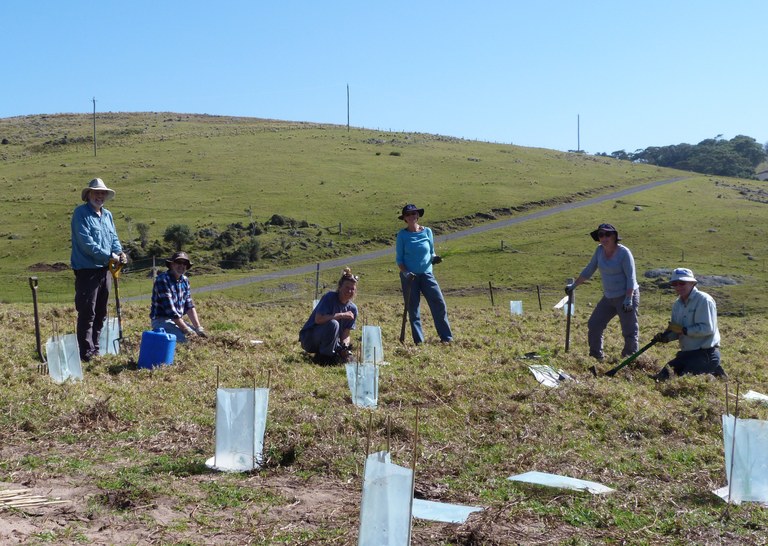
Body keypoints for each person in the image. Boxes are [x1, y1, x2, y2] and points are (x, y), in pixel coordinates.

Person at [71, 178, 128, 362]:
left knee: (101, 312)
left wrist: (120, 253)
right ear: (88, 195)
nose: (100, 196)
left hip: (106, 271)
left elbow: (114, 238)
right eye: (96, 192)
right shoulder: (80, 214)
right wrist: (109, 256)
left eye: (102, 193)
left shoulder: (108, 215)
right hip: (87, 271)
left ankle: (95, 348)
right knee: (88, 312)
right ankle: (86, 353)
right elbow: (87, 244)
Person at [567, 223, 639, 363]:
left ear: (614, 236)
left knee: (629, 330)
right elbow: (589, 270)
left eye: (607, 234)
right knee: (594, 324)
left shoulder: (624, 253)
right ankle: (596, 357)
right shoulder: (599, 251)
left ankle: (629, 360)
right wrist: (574, 285)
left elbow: (631, 278)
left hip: (626, 295)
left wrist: (628, 299)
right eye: (601, 235)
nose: (604, 237)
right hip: (609, 296)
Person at [650, 267, 726, 381]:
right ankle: (713, 371)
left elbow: (707, 328)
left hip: (705, 353)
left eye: (682, 283)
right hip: (686, 354)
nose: (678, 287)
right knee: (662, 377)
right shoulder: (677, 304)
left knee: (683, 380)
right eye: (675, 284)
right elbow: (676, 330)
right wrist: (665, 337)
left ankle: (714, 372)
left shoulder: (704, 300)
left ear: (692, 283)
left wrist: (684, 330)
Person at [396, 204, 453, 344]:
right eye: (408, 215)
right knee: (413, 309)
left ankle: (446, 338)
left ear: (418, 215)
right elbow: (399, 259)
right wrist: (406, 273)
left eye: (413, 213)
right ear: (404, 218)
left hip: (427, 274)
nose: (411, 217)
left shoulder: (427, 231)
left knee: (439, 304)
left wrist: (434, 258)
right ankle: (419, 341)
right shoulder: (402, 235)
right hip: (410, 277)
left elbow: (431, 251)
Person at [299, 267, 358, 365]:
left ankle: (336, 355)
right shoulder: (329, 298)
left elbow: (346, 333)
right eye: (347, 287)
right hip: (310, 339)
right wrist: (341, 315)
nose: (349, 291)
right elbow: (318, 319)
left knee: (347, 354)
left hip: (330, 341)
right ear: (340, 287)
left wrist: (345, 346)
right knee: (333, 324)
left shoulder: (353, 309)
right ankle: (324, 359)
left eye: (352, 289)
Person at [150, 251, 207, 343]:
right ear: (172, 264)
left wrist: (198, 328)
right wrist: (186, 330)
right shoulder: (162, 280)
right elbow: (171, 311)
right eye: (178, 262)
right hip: (161, 321)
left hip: (177, 320)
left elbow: (189, 306)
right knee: (188, 340)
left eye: (185, 263)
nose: (182, 265)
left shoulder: (185, 280)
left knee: (199, 338)